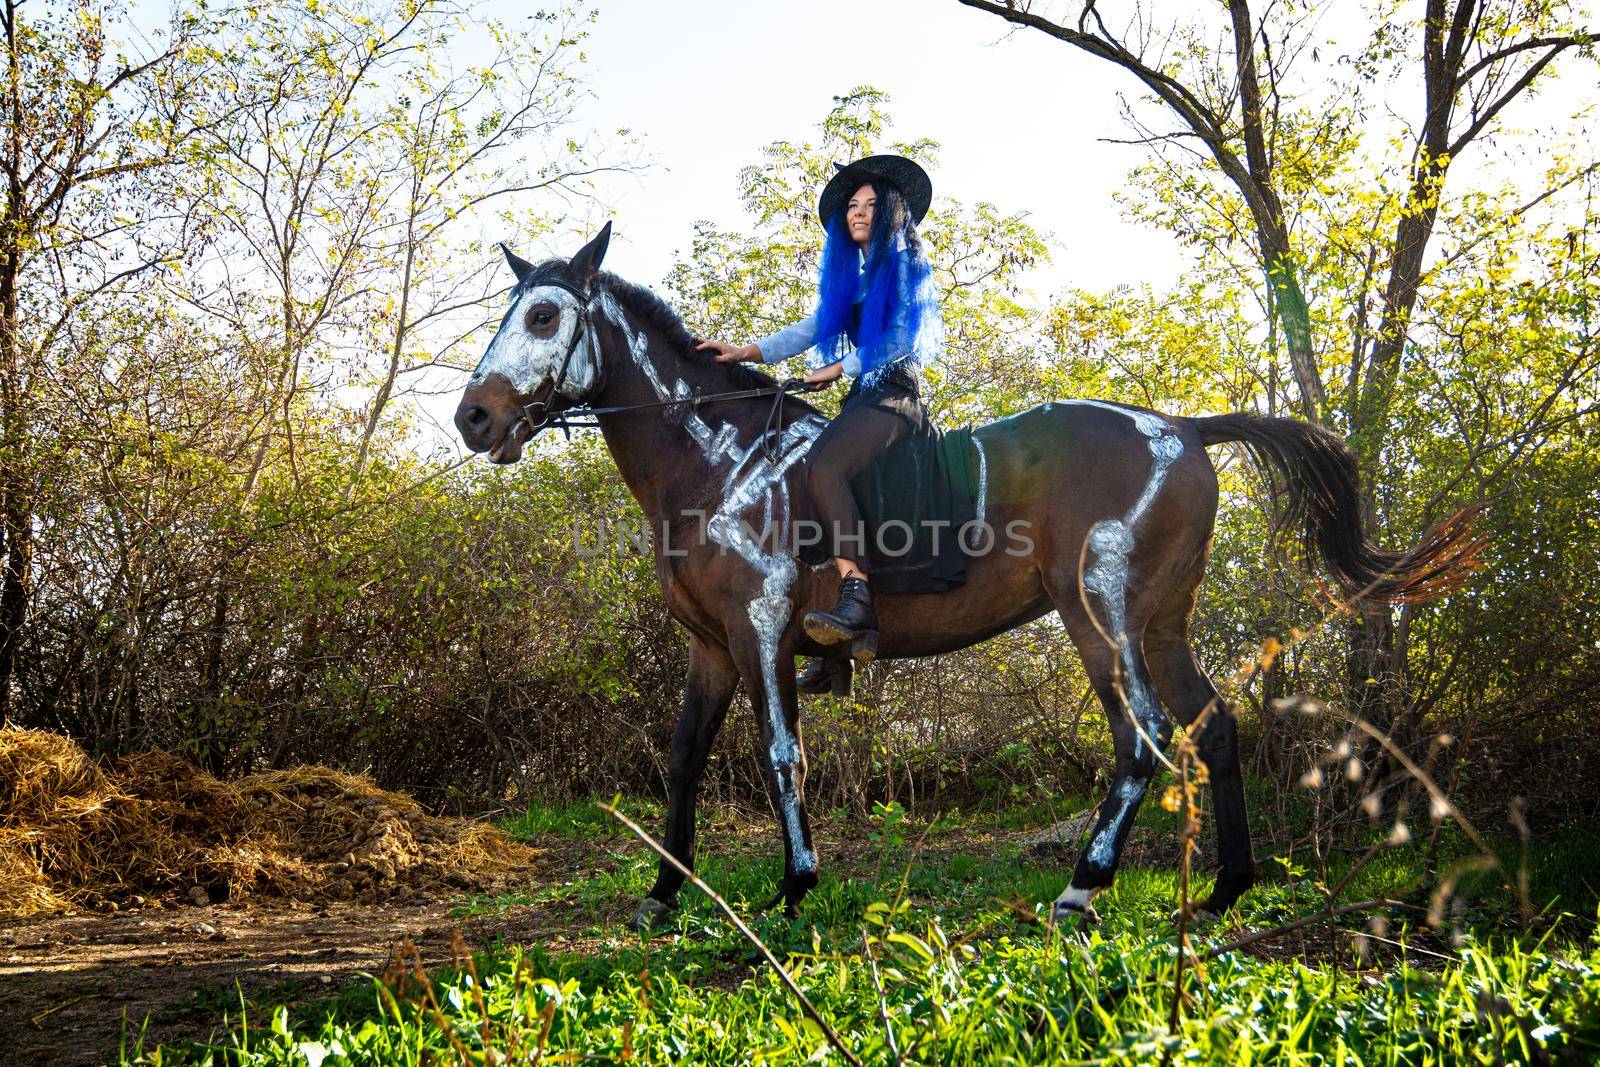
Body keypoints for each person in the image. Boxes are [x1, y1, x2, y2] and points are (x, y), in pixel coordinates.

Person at [695, 154, 943, 691]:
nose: (859, 213)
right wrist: (744, 352)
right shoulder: (854, 282)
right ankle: (835, 649)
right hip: (863, 401)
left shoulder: (904, 267)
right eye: (852, 206)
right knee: (813, 486)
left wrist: (836, 368)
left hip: (895, 400)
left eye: (872, 205)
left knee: (825, 468)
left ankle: (856, 599)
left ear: (894, 212)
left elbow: (896, 344)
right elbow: (809, 329)